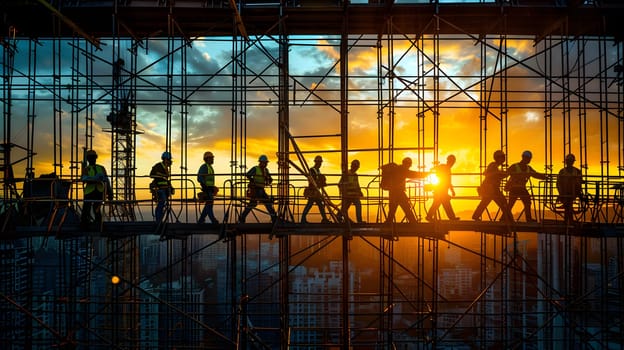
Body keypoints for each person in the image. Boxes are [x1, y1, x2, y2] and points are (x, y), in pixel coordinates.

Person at [472, 150, 514, 222]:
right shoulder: (493, 165)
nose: (503, 159)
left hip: (491, 188)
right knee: (503, 202)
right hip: (491, 188)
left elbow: (496, 175)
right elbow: (496, 175)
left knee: (486, 202)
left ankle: (476, 216)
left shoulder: (494, 166)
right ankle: (508, 219)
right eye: (502, 157)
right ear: (498, 158)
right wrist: (506, 173)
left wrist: (505, 173)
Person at [506, 150, 547, 222]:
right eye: (527, 158)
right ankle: (504, 218)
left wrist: (544, 177)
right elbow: (506, 173)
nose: (528, 160)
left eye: (529, 159)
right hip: (514, 188)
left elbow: (535, 174)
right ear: (523, 157)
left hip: (521, 188)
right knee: (511, 204)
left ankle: (528, 219)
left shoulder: (528, 168)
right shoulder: (515, 166)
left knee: (527, 202)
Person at [384, 157, 425, 224]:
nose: (409, 166)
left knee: (393, 209)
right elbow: (414, 174)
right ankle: (413, 222)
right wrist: (426, 174)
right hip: (398, 192)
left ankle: (388, 222)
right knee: (406, 207)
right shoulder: (402, 170)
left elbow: (412, 173)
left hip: (393, 192)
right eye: (409, 164)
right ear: (407, 164)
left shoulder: (397, 169)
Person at [239, 155, 277, 223]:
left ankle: (274, 219)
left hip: (261, 189)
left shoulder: (266, 170)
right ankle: (242, 217)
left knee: (266, 203)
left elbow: (270, 178)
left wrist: (268, 180)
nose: (266, 164)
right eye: (265, 162)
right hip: (256, 189)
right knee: (255, 203)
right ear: (261, 162)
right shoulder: (255, 168)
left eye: (266, 163)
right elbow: (248, 175)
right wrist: (252, 180)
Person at [80, 150, 112, 229]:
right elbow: (84, 178)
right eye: (91, 158)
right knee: (86, 208)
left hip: (99, 191)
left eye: (93, 157)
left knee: (96, 208)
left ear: (95, 158)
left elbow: (106, 179)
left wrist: (109, 192)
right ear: (88, 159)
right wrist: (94, 179)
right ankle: (85, 223)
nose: (92, 159)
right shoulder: (86, 169)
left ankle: (98, 223)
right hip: (90, 191)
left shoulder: (101, 168)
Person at [425, 154, 460, 221]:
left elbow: (448, 181)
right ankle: (452, 217)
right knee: (444, 203)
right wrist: (452, 190)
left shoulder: (445, 167)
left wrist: (452, 190)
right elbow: (448, 181)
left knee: (438, 203)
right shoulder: (445, 168)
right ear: (450, 161)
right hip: (441, 189)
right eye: (452, 162)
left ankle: (429, 216)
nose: (453, 163)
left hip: (440, 189)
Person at [301, 155, 331, 223]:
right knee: (310, 205)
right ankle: (303, 219)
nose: (320, 164)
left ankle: (324, 219)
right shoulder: (312, 170)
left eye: (320, 163)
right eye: (319, 162)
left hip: (316, 191)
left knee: (319, 205)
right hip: (313, 191)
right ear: (316, 162)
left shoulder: (318, 170)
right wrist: (321, 180)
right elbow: (313, 180)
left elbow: (319, 179)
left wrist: (322, 180)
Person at [556, 153, 583, 223]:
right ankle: (569, 220)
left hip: (574, 192)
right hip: (565, 193)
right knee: (568, 205)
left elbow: (580, 183)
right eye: (568, 161)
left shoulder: (577, 171)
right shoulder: (562, 172)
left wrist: (579, 193)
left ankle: (568, 221)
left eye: (570, 161)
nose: (569, 162)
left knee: (568, 204)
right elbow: (558, 184)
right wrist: (560, 194)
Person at [150, 151, 174, 224]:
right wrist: (162, 175)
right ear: (165, 159)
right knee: (161, 203)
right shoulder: (158, 166)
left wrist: (171, 187)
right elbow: (151, 175)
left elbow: (166, 180)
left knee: (163, 204)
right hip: (159, 188)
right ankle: (158, 221)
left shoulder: (166, 168)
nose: (170, 161)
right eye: (169, 160)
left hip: (165, 188)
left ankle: (160, 220)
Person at [339, 159, 364, 224]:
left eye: (357, 167)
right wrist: (343, 192)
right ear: (352, 166)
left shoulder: (355, 175)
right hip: (348, 195)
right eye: (355, 166)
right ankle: (338, 216)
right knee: (344, 208)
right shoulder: (346, 174)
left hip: (354, 195)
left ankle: (359, 221)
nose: (356, 168)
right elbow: (340, 184)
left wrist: (360, 191)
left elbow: (357, 185)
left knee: (357, 205)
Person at [197, 151, 219, 224]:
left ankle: (201, 220)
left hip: (210, 188)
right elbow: (199, 177)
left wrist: (213, 187)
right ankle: (213, 220)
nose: (213, 159)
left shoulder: (210, 167)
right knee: (209, 204)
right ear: (207, 159)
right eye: (211, 158)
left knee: (208, 204)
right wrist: (205, 186)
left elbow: (209, 179)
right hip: (207, 188)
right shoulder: (204, 167)